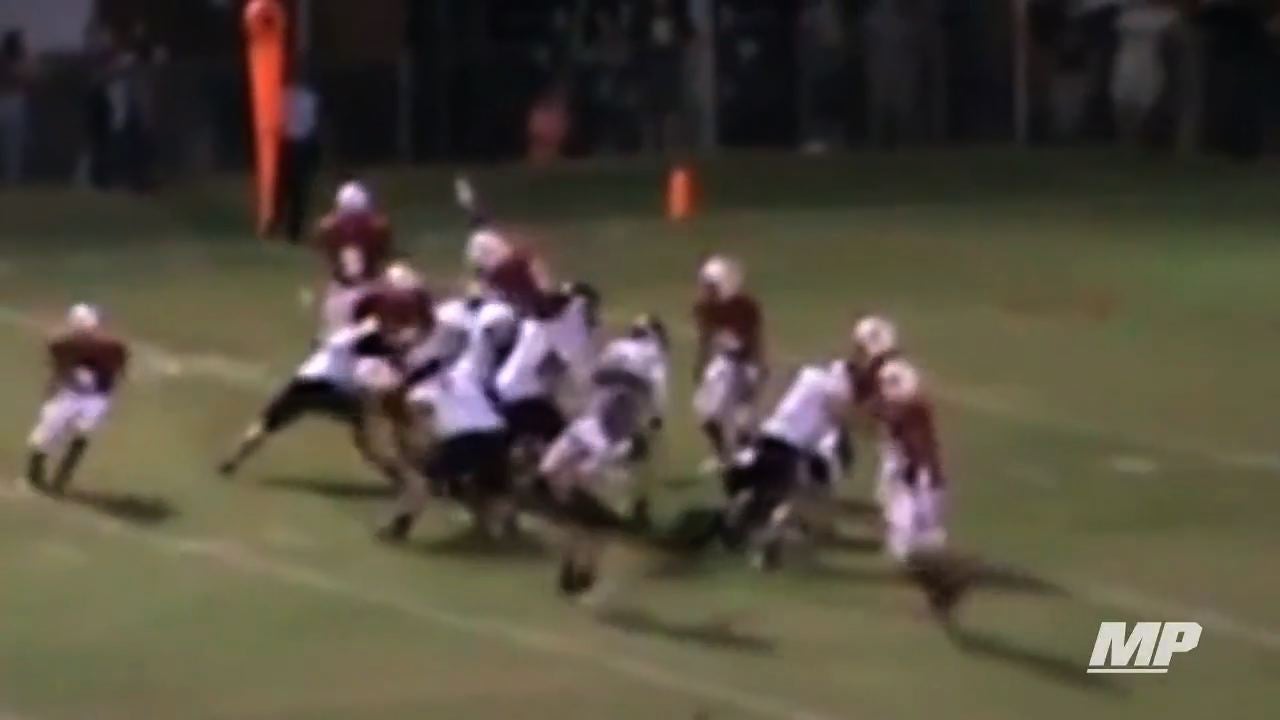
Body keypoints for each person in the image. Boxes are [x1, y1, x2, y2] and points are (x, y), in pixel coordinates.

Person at [24, 305, 129, 495]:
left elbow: (119, 369)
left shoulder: (111, 347)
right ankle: (34, 475)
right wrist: (53, 388)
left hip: (96, 395)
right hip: (68, 392)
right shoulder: (61, 345)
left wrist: (106, 386)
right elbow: (57, 367)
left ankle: (62, 476)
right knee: (45, 435)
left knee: (84, 431)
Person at [692, 255, 765, 473]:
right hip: (723, 361)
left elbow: (755, 339)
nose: (706, 289)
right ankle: (722, 455)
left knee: (744, 415)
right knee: (705, 412)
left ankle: (748, 458)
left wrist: (757, 366)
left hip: (744, 362)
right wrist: (701, 364)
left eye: (711, 285)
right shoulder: (704, 307)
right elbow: (705, 338)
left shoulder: (745, 306)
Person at [312, 181, 395, 339]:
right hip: (372, 288)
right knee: (375, 342)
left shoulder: (326, 227)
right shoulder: (379, 226)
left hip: (341, 290)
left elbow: (322, 251)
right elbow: (385, 253)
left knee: (336, 342)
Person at [278, 68, 321, 242]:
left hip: (289, 144)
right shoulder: (309, 97)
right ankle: (294, 228)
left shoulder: (283, 96)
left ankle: (288, 226)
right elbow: (313, 123)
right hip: (302, 144)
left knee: (288, 188)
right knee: (300, 189)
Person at [0, 30, 33, 186]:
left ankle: (11, 177)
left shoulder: (6, 60)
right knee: (12, 144)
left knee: (10, 143)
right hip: (13, 102)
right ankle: (11, 177)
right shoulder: (15, 62)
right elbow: (25, 77)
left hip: (10, 100)